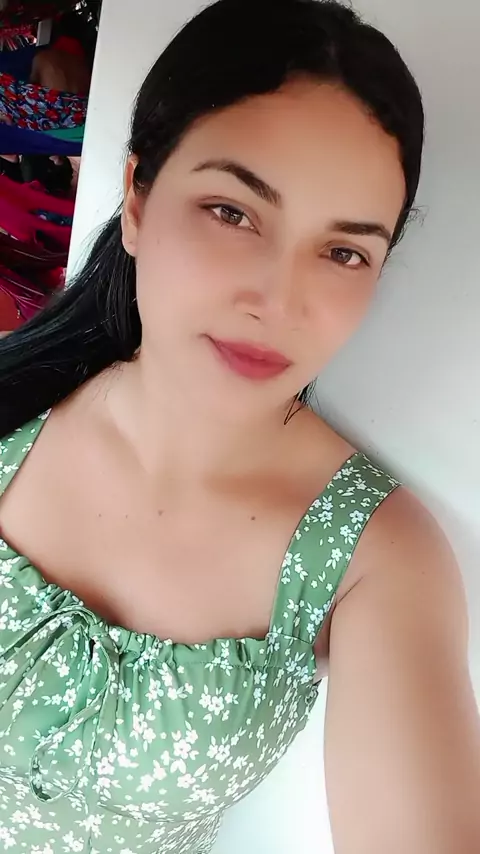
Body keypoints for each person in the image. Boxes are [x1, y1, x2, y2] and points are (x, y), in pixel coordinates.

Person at [0, 1, 479, 852]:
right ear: (138, 198)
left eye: (344, 252)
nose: (278, 301)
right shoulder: (14, 403)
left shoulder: (372, 557)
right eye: (233, 212)